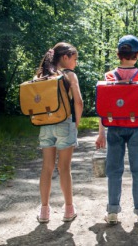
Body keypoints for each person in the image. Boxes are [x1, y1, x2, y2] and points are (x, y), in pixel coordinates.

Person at [95, 35, 138, 225]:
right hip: (137, 127)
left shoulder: (108, 77)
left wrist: (101, 133)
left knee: (114, 170)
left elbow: (104, 108)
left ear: (118, 54)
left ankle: (112, 212)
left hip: (114, 126)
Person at [35, 42, 84, 223]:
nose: (75, 63)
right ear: (65, 57)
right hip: (64, 123)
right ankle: (69, 210)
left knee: (46, 168)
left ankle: (44, 211)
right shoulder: (69, 75)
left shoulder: (42, 75)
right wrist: (75, 125)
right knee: (64, 168)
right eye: (75, 58)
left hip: (45, 124)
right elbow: (78, 102)